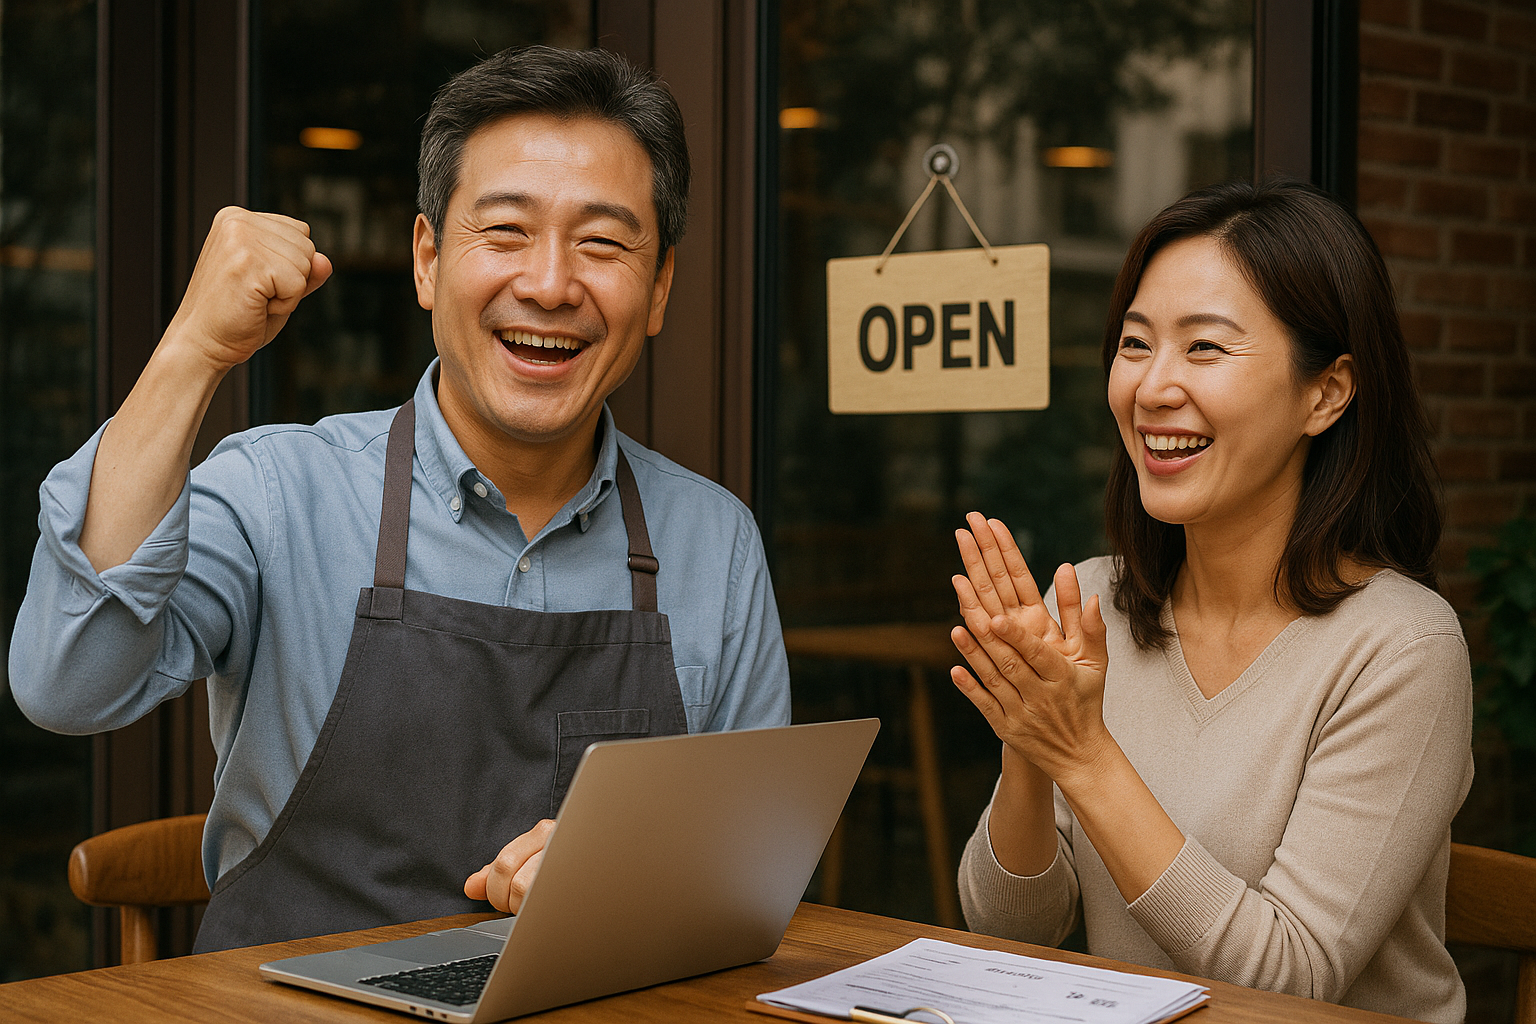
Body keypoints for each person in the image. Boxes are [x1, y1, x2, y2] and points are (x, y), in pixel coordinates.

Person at [9, 45, 790, 951]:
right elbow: (65, 682)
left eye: (603, 243)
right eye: (504, 231)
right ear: (426, 259)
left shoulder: (715, 542)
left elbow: (754, 872)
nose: (548, 283)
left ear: (658, 291)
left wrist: (630, 871)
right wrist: (192, 349)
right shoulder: (278, 493)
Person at [949, 180, 1471, 1022]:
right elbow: (1014, 929)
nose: (1153, 387)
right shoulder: (1094, 607)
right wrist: (1029, 741)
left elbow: (1290, 982)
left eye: (1204, 349)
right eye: (1135, 344)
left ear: (1326, 394)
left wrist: (1083, 755)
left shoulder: (1402, 648)